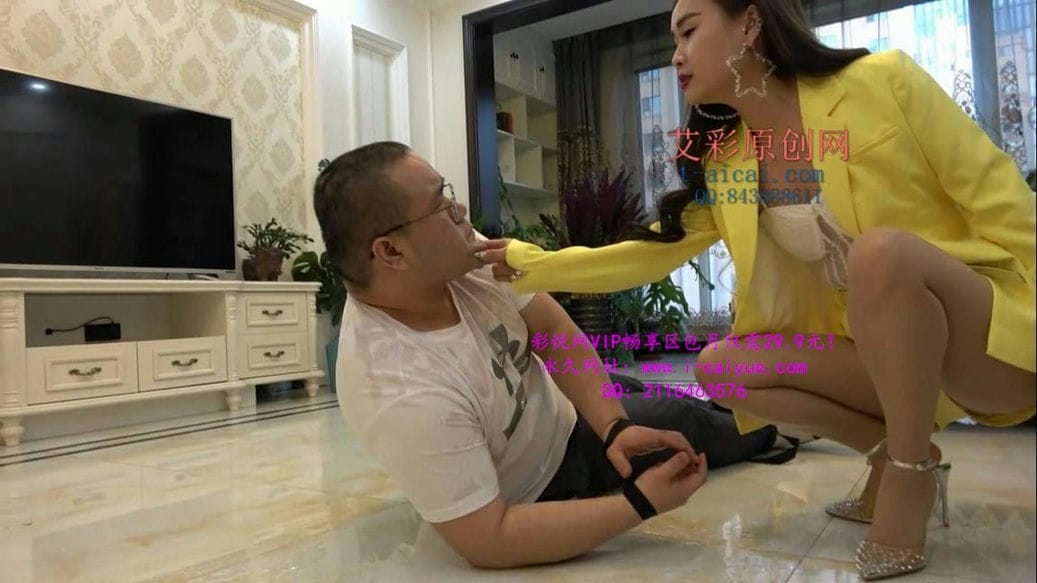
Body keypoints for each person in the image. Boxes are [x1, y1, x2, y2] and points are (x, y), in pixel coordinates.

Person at [475, 0, 1037, 580]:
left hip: (984, 343)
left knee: (879, 255)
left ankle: (908, 475)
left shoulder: (882, 81)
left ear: (749, 23)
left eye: (689, 32)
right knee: (721, 368)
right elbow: (647, 254)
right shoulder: (727, 163)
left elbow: (998, 194)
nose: (676, 55)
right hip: (886, 362)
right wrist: (531, 265)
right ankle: (897, 452)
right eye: (674, 40)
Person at [312, 141, 791, 569]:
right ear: (391, 252)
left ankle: (732, 410)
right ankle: (787, 426)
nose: (460, 210)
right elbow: (489, 540)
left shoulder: (463, 260)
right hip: (551, 473)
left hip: (560, 404)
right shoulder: (398, 387)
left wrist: (613, 425)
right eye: (441, 204)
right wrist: (639, 504)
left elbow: (551, 329)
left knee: (646, 397)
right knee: (691, 423)